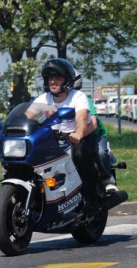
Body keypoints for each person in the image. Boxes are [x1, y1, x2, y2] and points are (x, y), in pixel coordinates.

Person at [27, 58, 100, 214]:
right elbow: (27, 116)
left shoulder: (77, 97)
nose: (53, 81)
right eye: (50, 78)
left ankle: (91, 199)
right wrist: (10, 131)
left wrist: (78, 133)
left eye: (57, 78)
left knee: (81, 153)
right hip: (51, 141)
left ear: (67, 80)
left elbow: (81, 117)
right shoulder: (43, 99)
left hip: (74, 139)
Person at [75, 72, 118, 194]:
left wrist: (78, 136)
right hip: (72, 137)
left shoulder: (83, 99)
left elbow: (93, 124)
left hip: (94, 135)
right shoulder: (56, 100)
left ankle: (107, 180)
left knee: (100, 151)